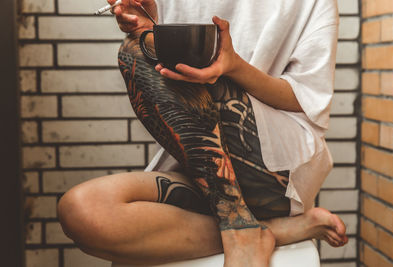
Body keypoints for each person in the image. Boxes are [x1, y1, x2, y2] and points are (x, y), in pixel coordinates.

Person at [58, 0, 348, 266]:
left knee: (136, 51)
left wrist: (234, 66)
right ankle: (268, 229)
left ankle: (240, 229)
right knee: (82, 211)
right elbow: (165, 77)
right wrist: (148, 21)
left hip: (276, 166)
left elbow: (305, 100)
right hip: (205, 166)